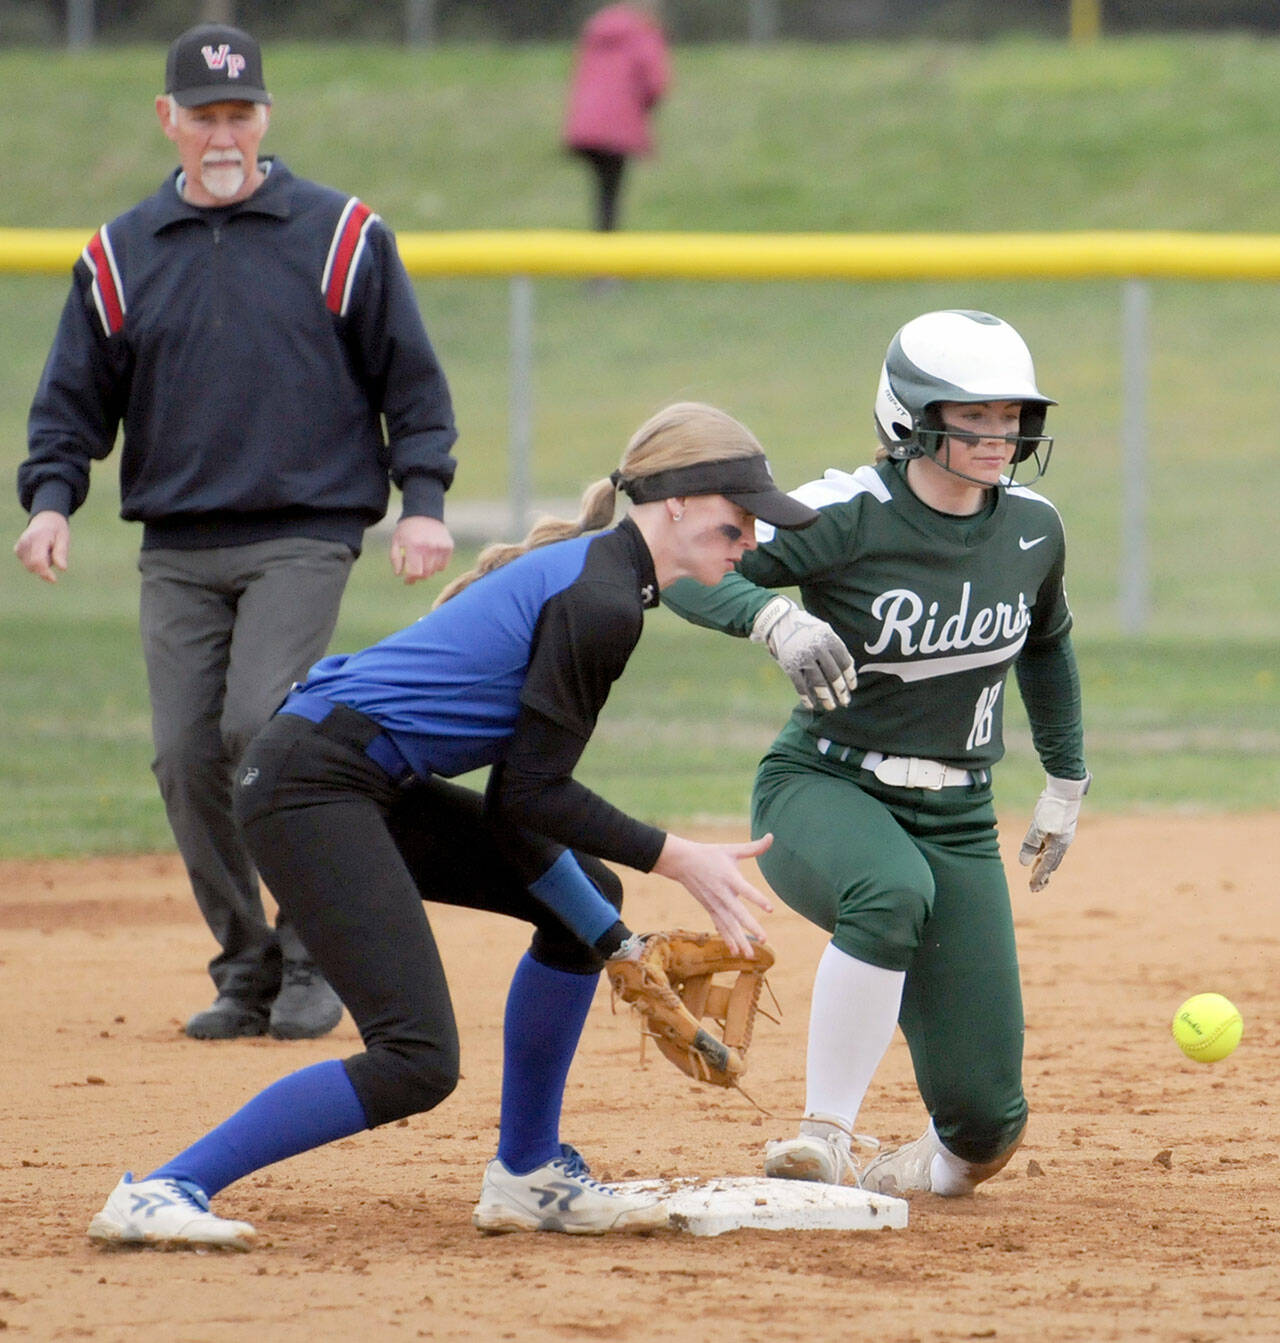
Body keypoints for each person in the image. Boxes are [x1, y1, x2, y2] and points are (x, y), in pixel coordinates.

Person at [84, 401, 821, 1250]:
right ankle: (164, 1187)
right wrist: (678, 855)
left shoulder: (604, 576)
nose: (751, 544)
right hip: (310, 782)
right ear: (677, 502)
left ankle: (528, 1174)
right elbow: (533, 798)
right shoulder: (602, 598)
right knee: (416, 1059)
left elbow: (520, 808)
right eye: (739, 521)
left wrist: (611, 939)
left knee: (588, 899)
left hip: (354, 776)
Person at [14, 24, 458, 1043]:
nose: (224, 132)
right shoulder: (119, 254)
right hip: (175, 543)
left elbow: (412, 385)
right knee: (182, 754)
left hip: (303, 532)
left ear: (266, 117)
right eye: (203, 114)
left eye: (240, 112)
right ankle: (245, 962)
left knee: (259, 723)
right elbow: (70, 404)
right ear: (168, 120)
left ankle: (315, 953)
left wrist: (422, 500)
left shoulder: (342, 235)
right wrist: (49, 500)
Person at [662, 311, 1091, 1199]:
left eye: (1009, 416)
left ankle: (919, 1167)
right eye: (970, 416)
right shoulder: (845, 511)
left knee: (986, 1125)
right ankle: (824, 1131)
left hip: (962, 811)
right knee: (889, 890)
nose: (996, 435)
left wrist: (1065, 776)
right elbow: (686, 566)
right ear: (908, 417)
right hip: (825, 781)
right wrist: (771, 614)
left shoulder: (1034, 528)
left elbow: (1046, 644)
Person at [563, 2, 670, 232]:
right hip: (618, 127)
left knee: (603, 189)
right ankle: (606, 257)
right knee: (611, 191)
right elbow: (656, 83)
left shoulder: (595, 33)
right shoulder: (644, 33)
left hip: (586, 124)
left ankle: (602, 247)